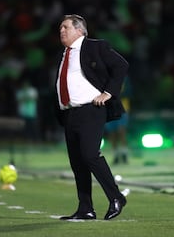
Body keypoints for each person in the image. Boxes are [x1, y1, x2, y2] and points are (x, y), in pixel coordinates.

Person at [55, 14, 128, 220]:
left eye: (65, 27)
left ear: (80, 30)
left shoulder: (95, 46)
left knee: (89, 155)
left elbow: (121, 65)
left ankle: (116, 197)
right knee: (77, 162)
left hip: (90, 110)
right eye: (60, 27)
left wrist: (108, 93)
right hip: (70, 113)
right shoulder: (65, 53)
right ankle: (85, 208)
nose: (61, 30)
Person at [105, 77, 131, 165]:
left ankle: (124, 154)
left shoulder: (124, 78)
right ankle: (116, 155)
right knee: (112, 134)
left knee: (121, 131)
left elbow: (128, 92)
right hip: (109, 108)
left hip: (122, 108)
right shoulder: (104, 77)